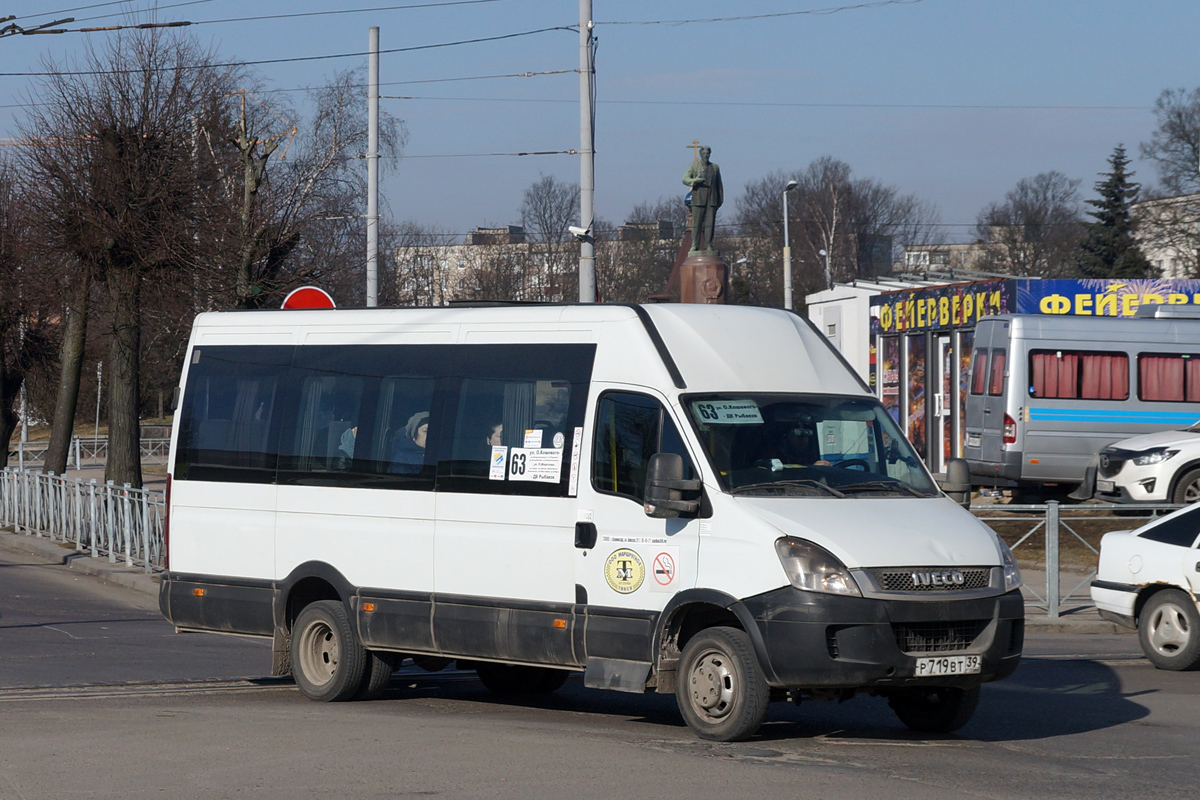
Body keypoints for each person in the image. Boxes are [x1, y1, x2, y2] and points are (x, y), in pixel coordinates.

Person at [682, 145, 723, 253]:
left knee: (710, 223)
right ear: (701, 154)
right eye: (704, 154)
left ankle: (708, 244)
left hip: (711, 199)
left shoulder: (715, 167)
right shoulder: (694, 166)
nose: (706, 155)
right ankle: (695, 245)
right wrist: (695, 180)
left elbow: (719, 185)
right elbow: (685, 178)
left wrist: (719, 201)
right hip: (698, 199)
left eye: (708, 153)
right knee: (696, 223)